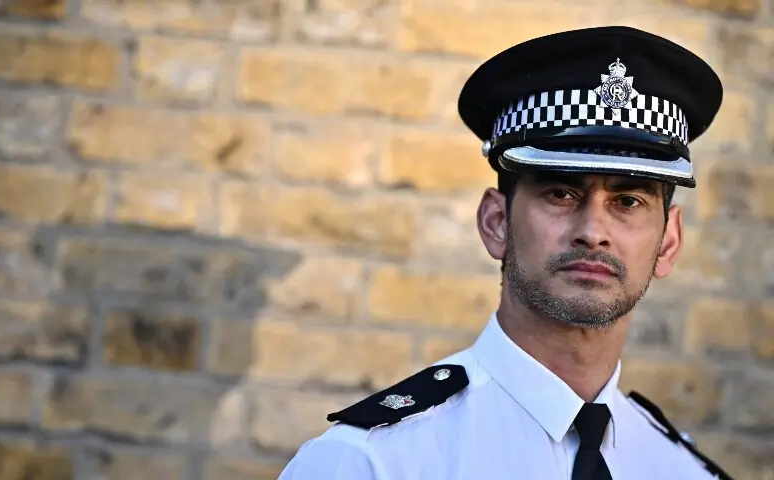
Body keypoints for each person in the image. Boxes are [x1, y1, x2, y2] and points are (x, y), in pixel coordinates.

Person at [278, 26, 734, 480]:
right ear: (497, 222)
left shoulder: (685, 472)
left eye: (628, 201)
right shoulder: (371, 463)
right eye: (560, 193)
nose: (593, 232)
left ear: (668, 241)